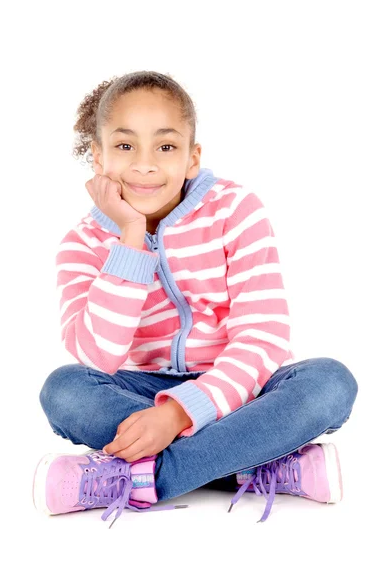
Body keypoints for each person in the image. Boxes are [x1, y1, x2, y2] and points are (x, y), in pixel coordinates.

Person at [32, 70, 359, 529]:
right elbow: (97, 357)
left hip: (246, 389)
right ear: (98, 157)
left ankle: (146, 478)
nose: (145, 165)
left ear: (192, 157)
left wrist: (180, 414)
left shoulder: (235, 210)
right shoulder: (81, 245)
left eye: (165, 147)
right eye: (125, 147)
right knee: (64, 390)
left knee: (330, 382)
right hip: (142, 392)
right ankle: (257, 463)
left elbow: (263, 339)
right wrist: (130, 237)